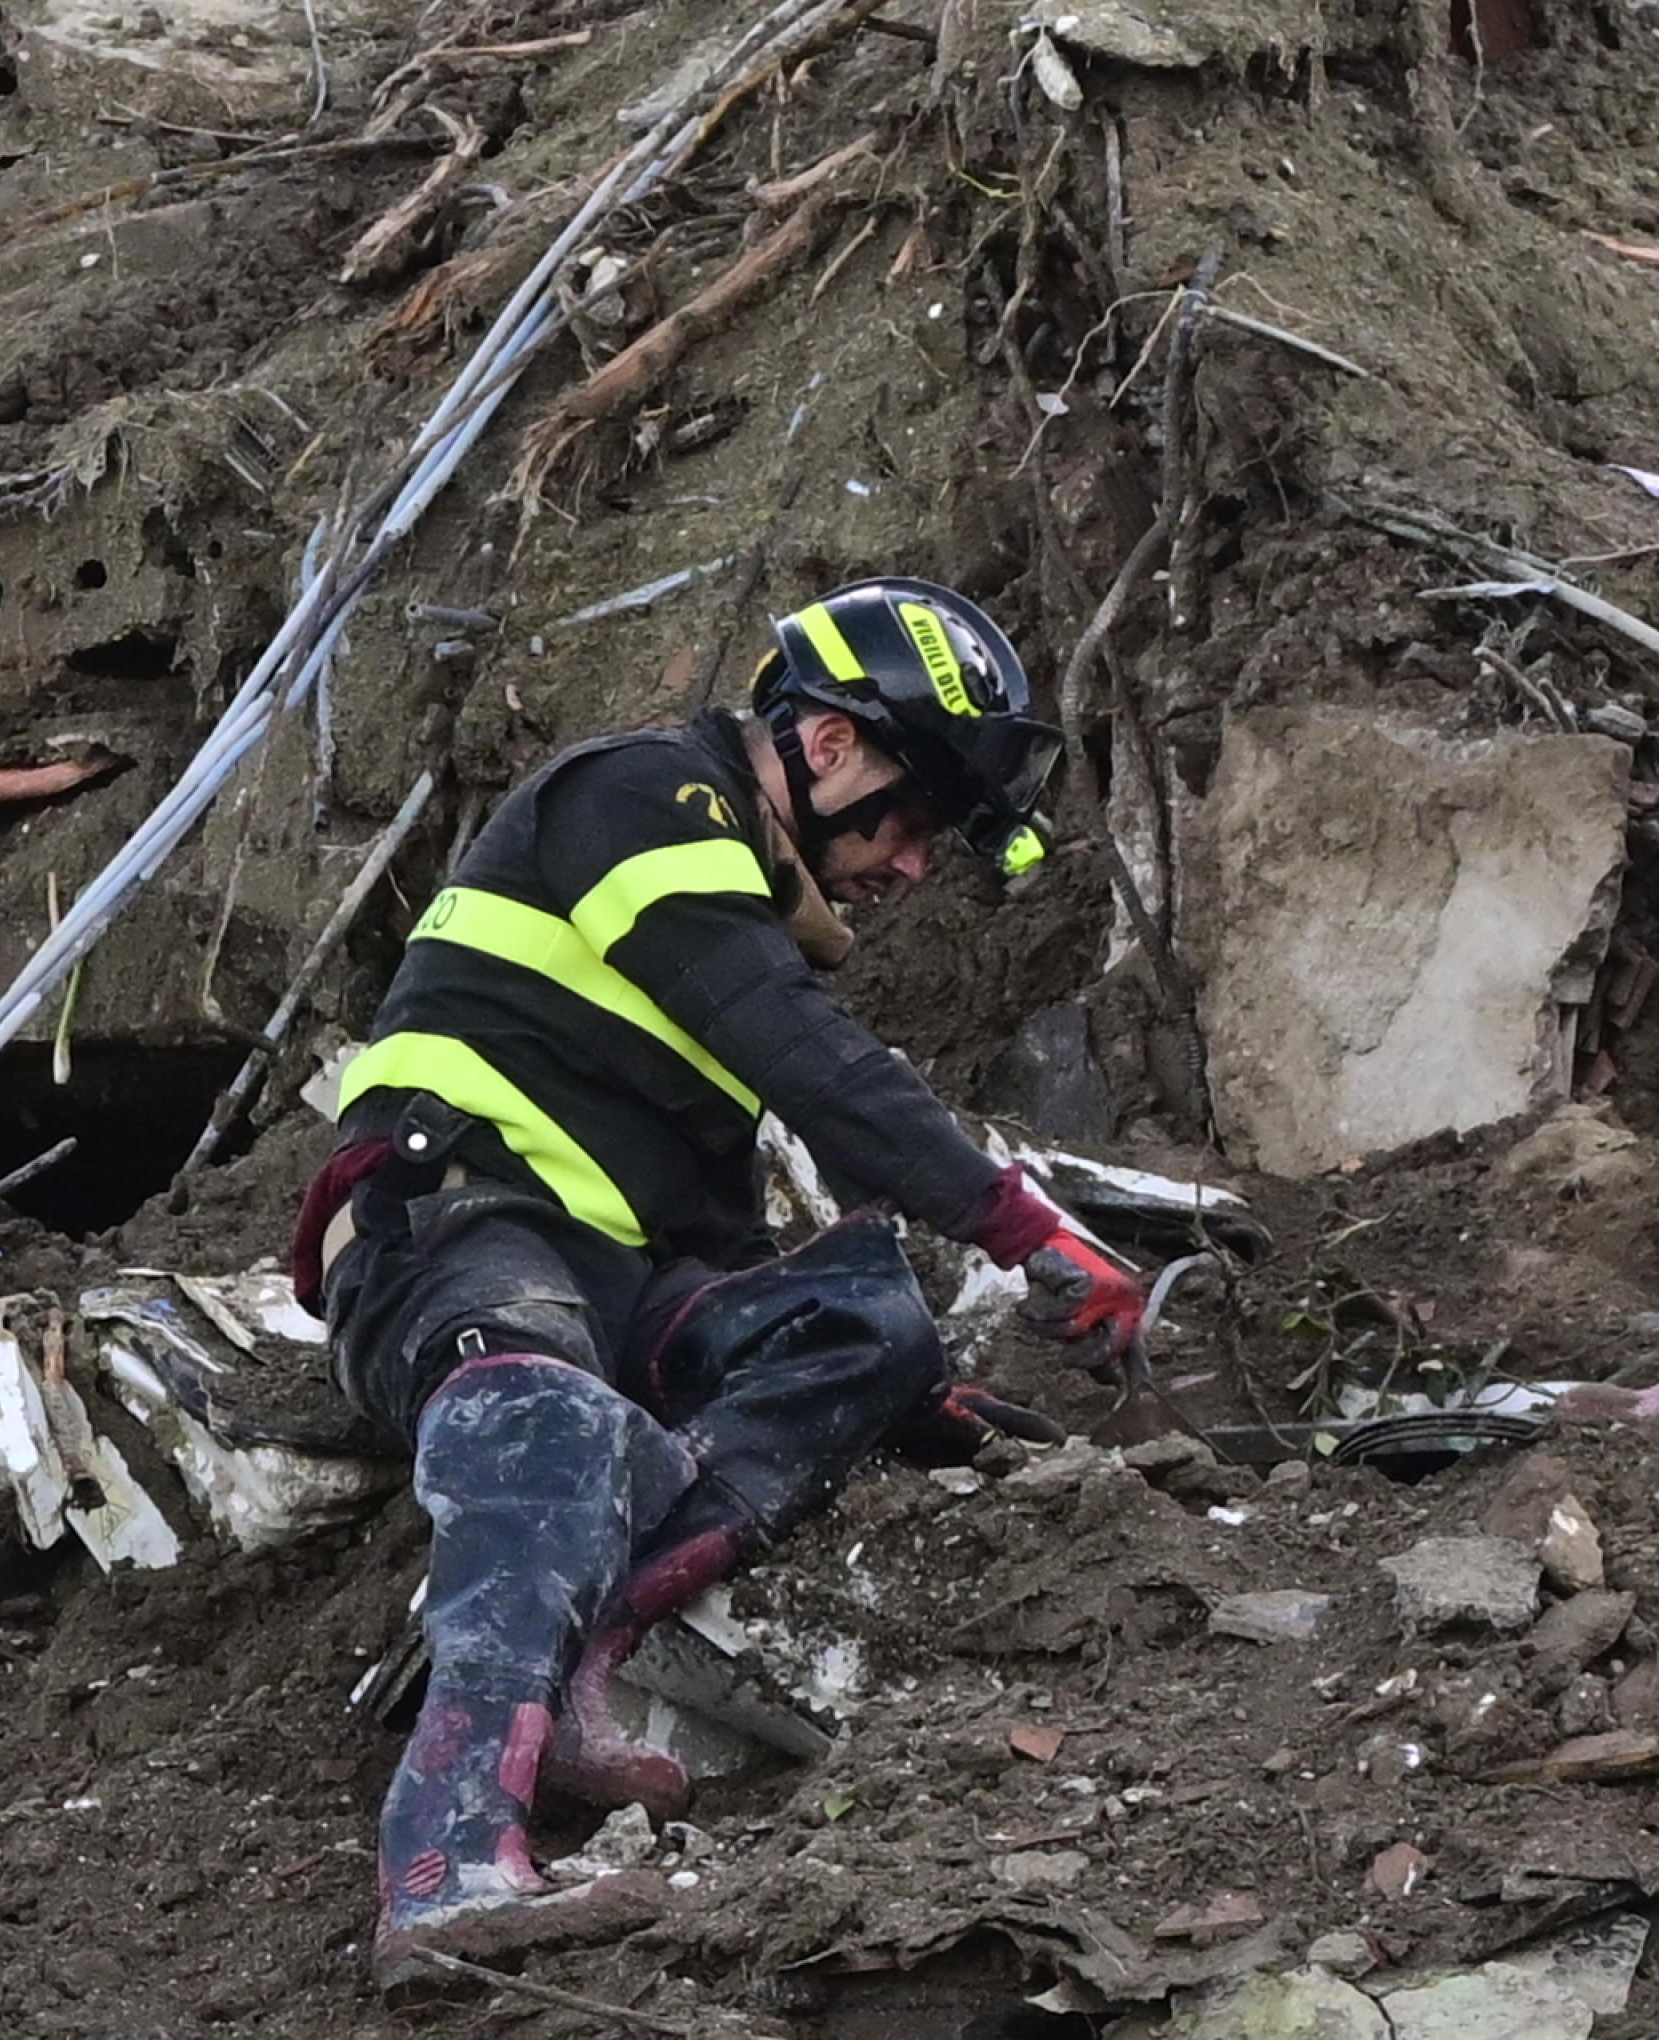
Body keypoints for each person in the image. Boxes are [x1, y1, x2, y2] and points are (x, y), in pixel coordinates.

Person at [287, 578, 1150, 1988]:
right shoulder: (644, 798)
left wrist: (912, 1391)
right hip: (452, 1227)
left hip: (615, 1274)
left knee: (865, 1318)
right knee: (546, 1421)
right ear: (824, 746)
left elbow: (730, 1253)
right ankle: (443, 1870)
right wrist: (1025, 1229)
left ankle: (578, 1656)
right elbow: (804, 1054)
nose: (915, 866)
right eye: (914, 816)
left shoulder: (718, 911)